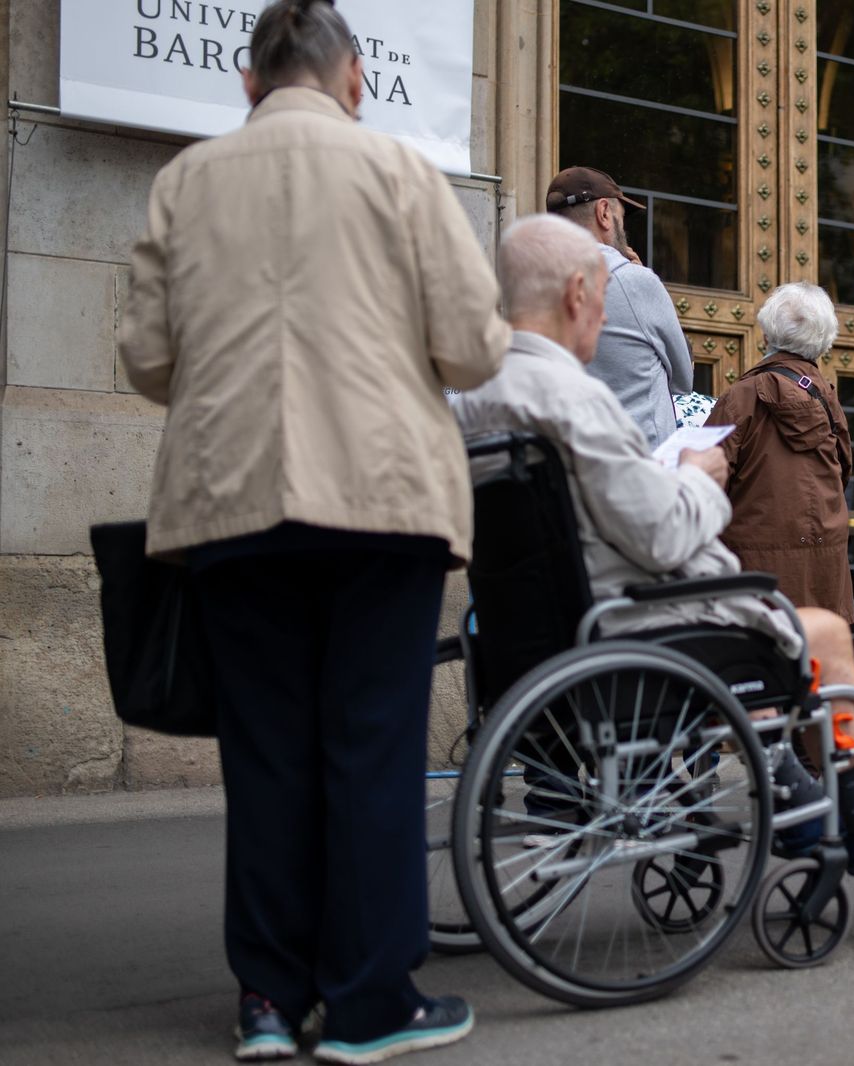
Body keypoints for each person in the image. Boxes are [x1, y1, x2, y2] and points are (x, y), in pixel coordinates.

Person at [116, 2, 508, 1061]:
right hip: (382, 497)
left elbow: (145, 359)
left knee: (266, 754)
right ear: (355, 80)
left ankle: (269, 1001)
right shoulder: (401, 171)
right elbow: (472, 348)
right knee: (371, 746)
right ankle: (371, 1002)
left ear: (248, 83)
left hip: (233, 497)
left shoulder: (185, 182)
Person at [452, 214, 854, 876]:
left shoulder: (472, 401)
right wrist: (698, 477)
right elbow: (664, 532)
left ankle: (797, 791)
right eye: (603, 301)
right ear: (577, 294)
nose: (604, 318)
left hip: (534, 633)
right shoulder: (576, 401)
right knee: (822, 633)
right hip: (632, 623)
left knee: (773, 633)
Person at [705, 284, 854, 620]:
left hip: (756, 577)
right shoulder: (828, 400)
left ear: (765, 334)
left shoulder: (740, 398)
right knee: (818, 650)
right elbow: (844, 472)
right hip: (823, 568)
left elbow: (706, 484)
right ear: (825, 340)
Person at [547, 166, 693, 449]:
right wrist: (639, 277)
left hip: (570, 459)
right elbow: (683, 380)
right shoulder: (635, 282)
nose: (623, 231)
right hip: (639, 458)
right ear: (604, 212)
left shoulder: (535, 286)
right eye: (621, 218)